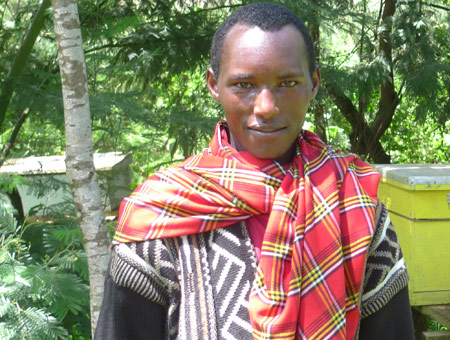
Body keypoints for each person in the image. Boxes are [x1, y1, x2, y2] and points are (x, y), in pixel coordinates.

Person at [94, 3, 414, 339]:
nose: (266, 107)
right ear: (214, 85)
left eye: (287, 83)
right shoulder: (157, 220)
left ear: (314, 83)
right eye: (244, 84)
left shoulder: (355, 205)